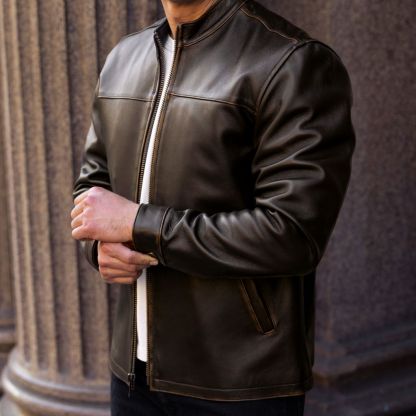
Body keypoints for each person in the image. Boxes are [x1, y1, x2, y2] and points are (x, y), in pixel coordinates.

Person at [71, 0, 355, 414]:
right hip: (133, 378)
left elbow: (293, 234)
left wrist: (138, 224)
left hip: (239, 384)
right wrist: (98, 248)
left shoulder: (291, 62)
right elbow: (92, 191)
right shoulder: (123, 58)